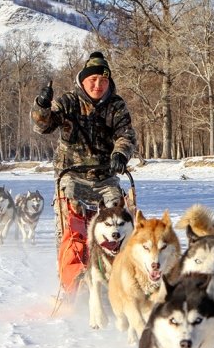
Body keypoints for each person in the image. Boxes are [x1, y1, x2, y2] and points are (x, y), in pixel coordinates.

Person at [30, 51, 137, 241]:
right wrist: (42, 105)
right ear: (83, 80)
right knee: (70, 214)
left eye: (103, 81)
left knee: (119, 217)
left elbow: (126, 134)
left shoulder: (116, 105)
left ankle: (116, 263)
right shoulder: (68, 102)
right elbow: (42, 126)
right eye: (93, 79)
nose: (98, 85)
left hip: (105, 176)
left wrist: (120, 154)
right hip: (71, 174)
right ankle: (71, 261)